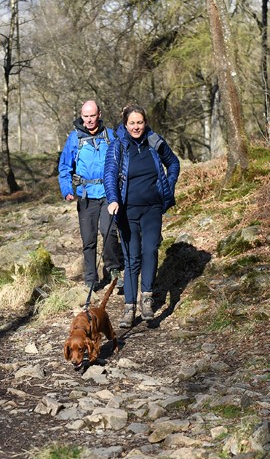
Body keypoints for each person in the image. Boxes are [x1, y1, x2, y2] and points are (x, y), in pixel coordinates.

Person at [104, 104, 180, 328]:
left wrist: (168, 185)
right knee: (131, 257)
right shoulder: (118, 146)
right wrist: (113, 199)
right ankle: (129, 307)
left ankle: (146, 299)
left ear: (145, 123)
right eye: (132, 123)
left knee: (150, 250)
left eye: (140, 122)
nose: (136, 127)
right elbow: (109, 174)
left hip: (153, 208)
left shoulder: (155, 141)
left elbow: (173, 162)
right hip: (127, 210)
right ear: (125, 124)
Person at [58, 100, 123, 290]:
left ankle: (113, 269)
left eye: (92, 116)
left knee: (109, 231)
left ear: (99, 115)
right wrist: (67, 190)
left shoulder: (110, 136)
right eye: (85, 116)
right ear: (81, 116)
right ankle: (91, 278)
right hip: (86, 195)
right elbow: (64, 167)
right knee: (88, 239)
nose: (88, 120)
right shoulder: (74, 138)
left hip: (108, 193)